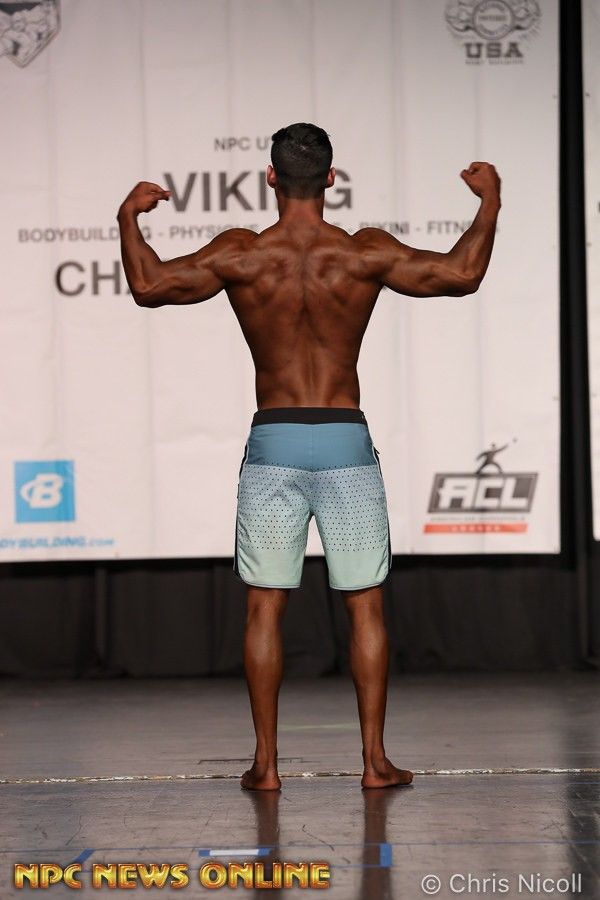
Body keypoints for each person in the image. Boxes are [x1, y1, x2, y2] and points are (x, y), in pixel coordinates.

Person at [117, 123, 501, 791]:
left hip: (275, 442)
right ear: (331, 179)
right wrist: (490, 199)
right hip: (346, 442)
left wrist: (128, 217)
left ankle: (266, 766)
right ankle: (374, 763)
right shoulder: (362, 252)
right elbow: (461, 274)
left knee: (264, 607)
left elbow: (149, 286)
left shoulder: (242, 253)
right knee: (365, 607)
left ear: (270, 178)